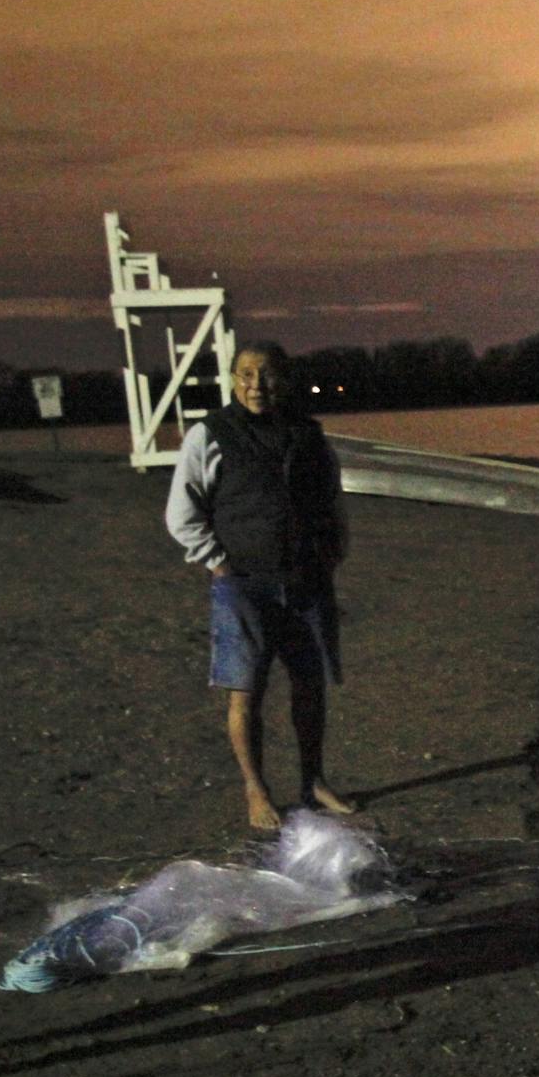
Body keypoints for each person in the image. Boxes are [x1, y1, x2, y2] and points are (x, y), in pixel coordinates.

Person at [165, 344, 355, 830]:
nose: (257, 384)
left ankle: (313, 780)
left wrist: (335, 549)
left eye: (267, 375)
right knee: (245, 690)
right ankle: (256, 789)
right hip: (244, 585)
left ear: (284, 380)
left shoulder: (308, 435)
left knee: (310, 687)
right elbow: (181, 513)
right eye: (246, 374)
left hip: (307, 580)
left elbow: (331, 498)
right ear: (231, 380)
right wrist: (218, 564)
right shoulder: (210, 434)